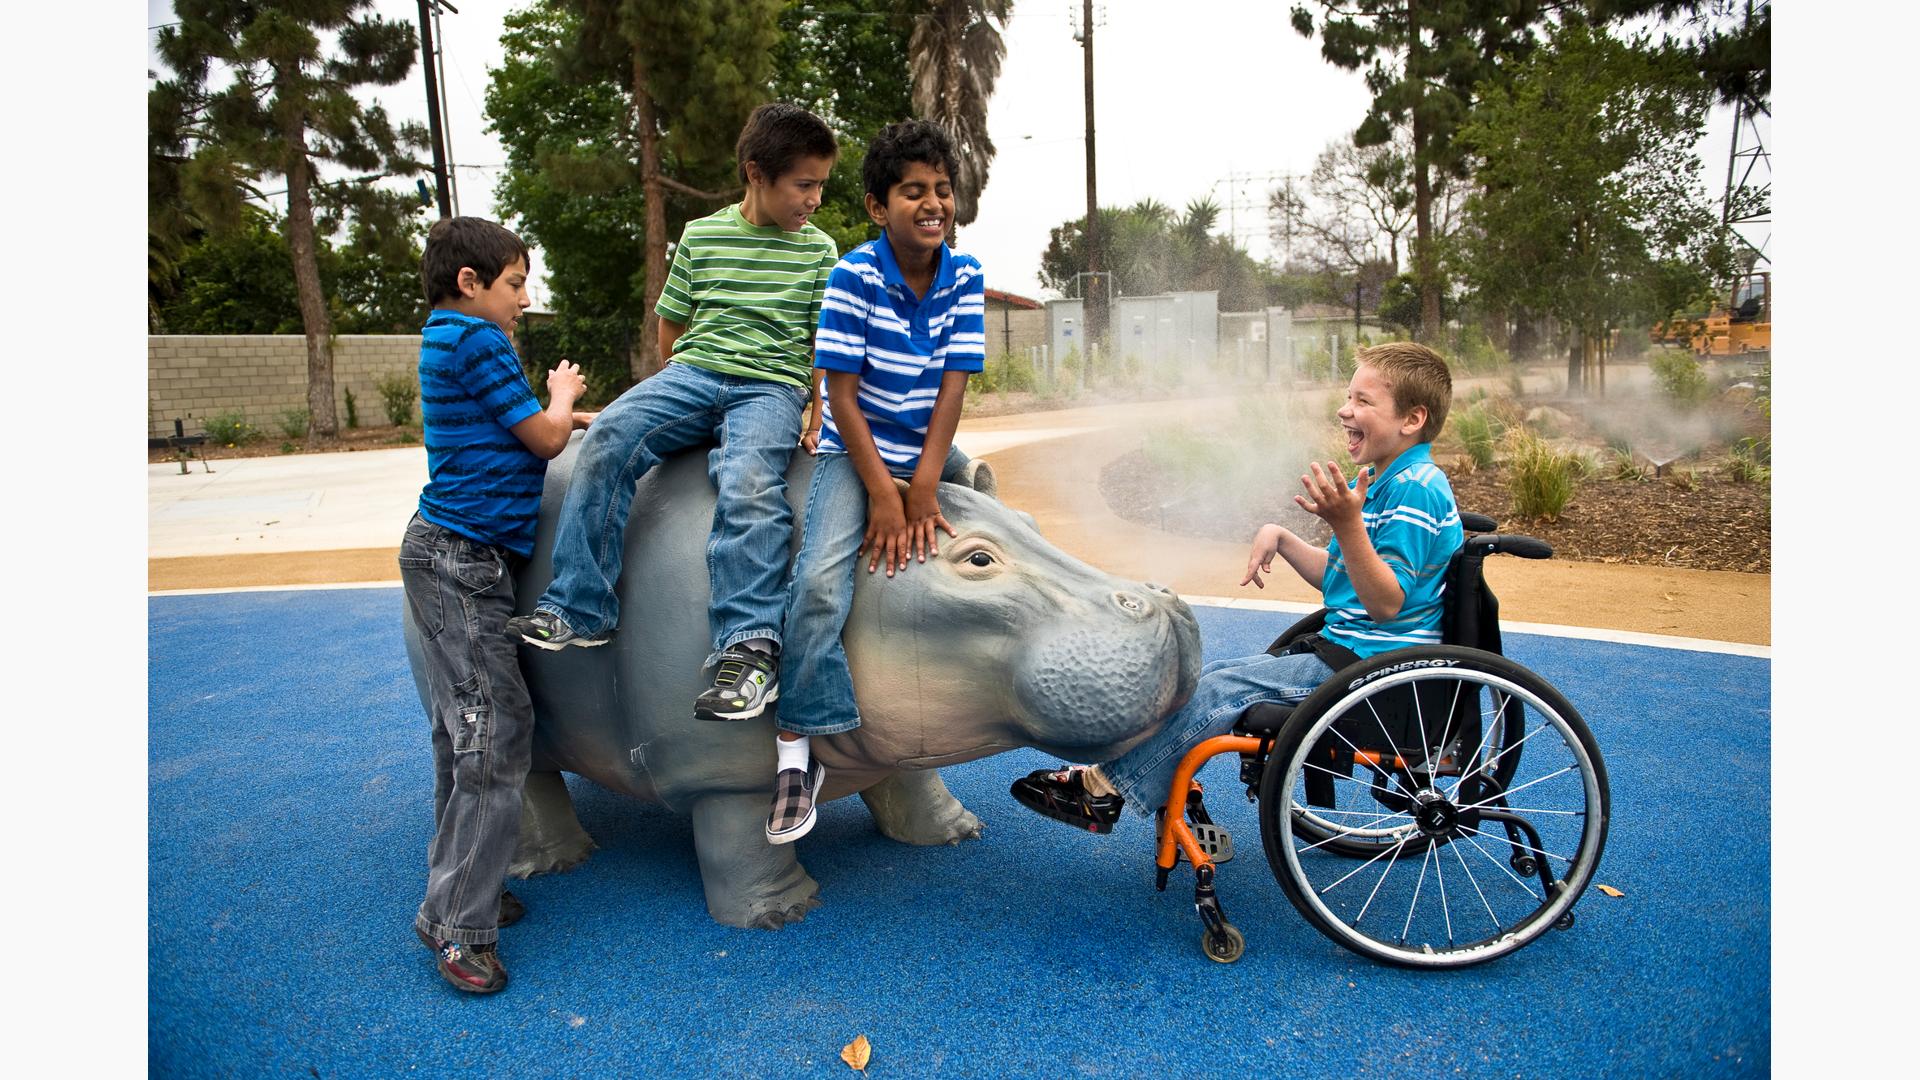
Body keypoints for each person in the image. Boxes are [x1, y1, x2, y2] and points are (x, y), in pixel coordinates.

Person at [1010, 341, 1463, 831]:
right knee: (1210, 676)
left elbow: (1386, 604)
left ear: (1412, 419)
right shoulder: (1383, 480)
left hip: (1375, 673)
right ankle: (1153, 781)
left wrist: (1347, 524)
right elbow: (1346, 580)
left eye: (1362, 401)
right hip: (1348, 652)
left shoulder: (1417, 486)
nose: (1343, 409)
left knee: (1223, 691)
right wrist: (1286, 539)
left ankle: (1107, 790)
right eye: (1347, 396)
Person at [504, 103, 840, 727]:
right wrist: (675, 392)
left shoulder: (819, 251)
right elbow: (671, 326)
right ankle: (581, 606)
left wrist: (814, 407)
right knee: (607, 435)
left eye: (820, 184)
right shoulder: (703, 236)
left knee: (748, 484)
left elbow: (821, 341)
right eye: (804, 184)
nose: (815, 199)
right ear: (756, 174)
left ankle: (748, 648)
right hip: (694, 373)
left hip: (770, 387)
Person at [765, 120, 986, 844]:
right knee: (819, 582)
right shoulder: (853, 274)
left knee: (992, 527)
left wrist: (924, 487)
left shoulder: (966, 275)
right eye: (913, 191)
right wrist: (885, 497)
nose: (933, 204)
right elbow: (841, 392)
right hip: (851, 451)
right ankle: (798, 750)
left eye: (943, 190)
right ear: (876, 206)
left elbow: (953, 390)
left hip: (925, 450)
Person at [401, 216, 593, 993]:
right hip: (462, 559)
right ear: (469, 283)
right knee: (495, 730)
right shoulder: (479, 341)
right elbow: (542, 441)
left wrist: (561, 418)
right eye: (515, 285)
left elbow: (510, 433)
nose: (523, 300)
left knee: (464, 729)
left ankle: (452, 894)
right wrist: (564, 395)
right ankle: (458, 927)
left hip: (448, 552)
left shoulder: (443, 337)